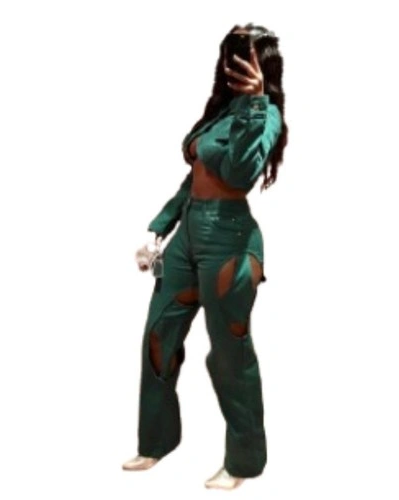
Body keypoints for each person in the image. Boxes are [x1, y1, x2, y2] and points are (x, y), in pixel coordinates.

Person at [123, 23, 288, 490]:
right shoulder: (219, 112)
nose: (235, 67)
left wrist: (256, 103)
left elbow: (239, 172)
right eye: (231, 57)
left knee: (230, 353)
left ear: (264, 66)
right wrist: (159, 228)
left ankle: (244, 461)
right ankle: (157, 441)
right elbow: (193, 177)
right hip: (188, 236)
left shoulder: (267, 114)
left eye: (247, 58)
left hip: (230, 241)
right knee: (159, 337)